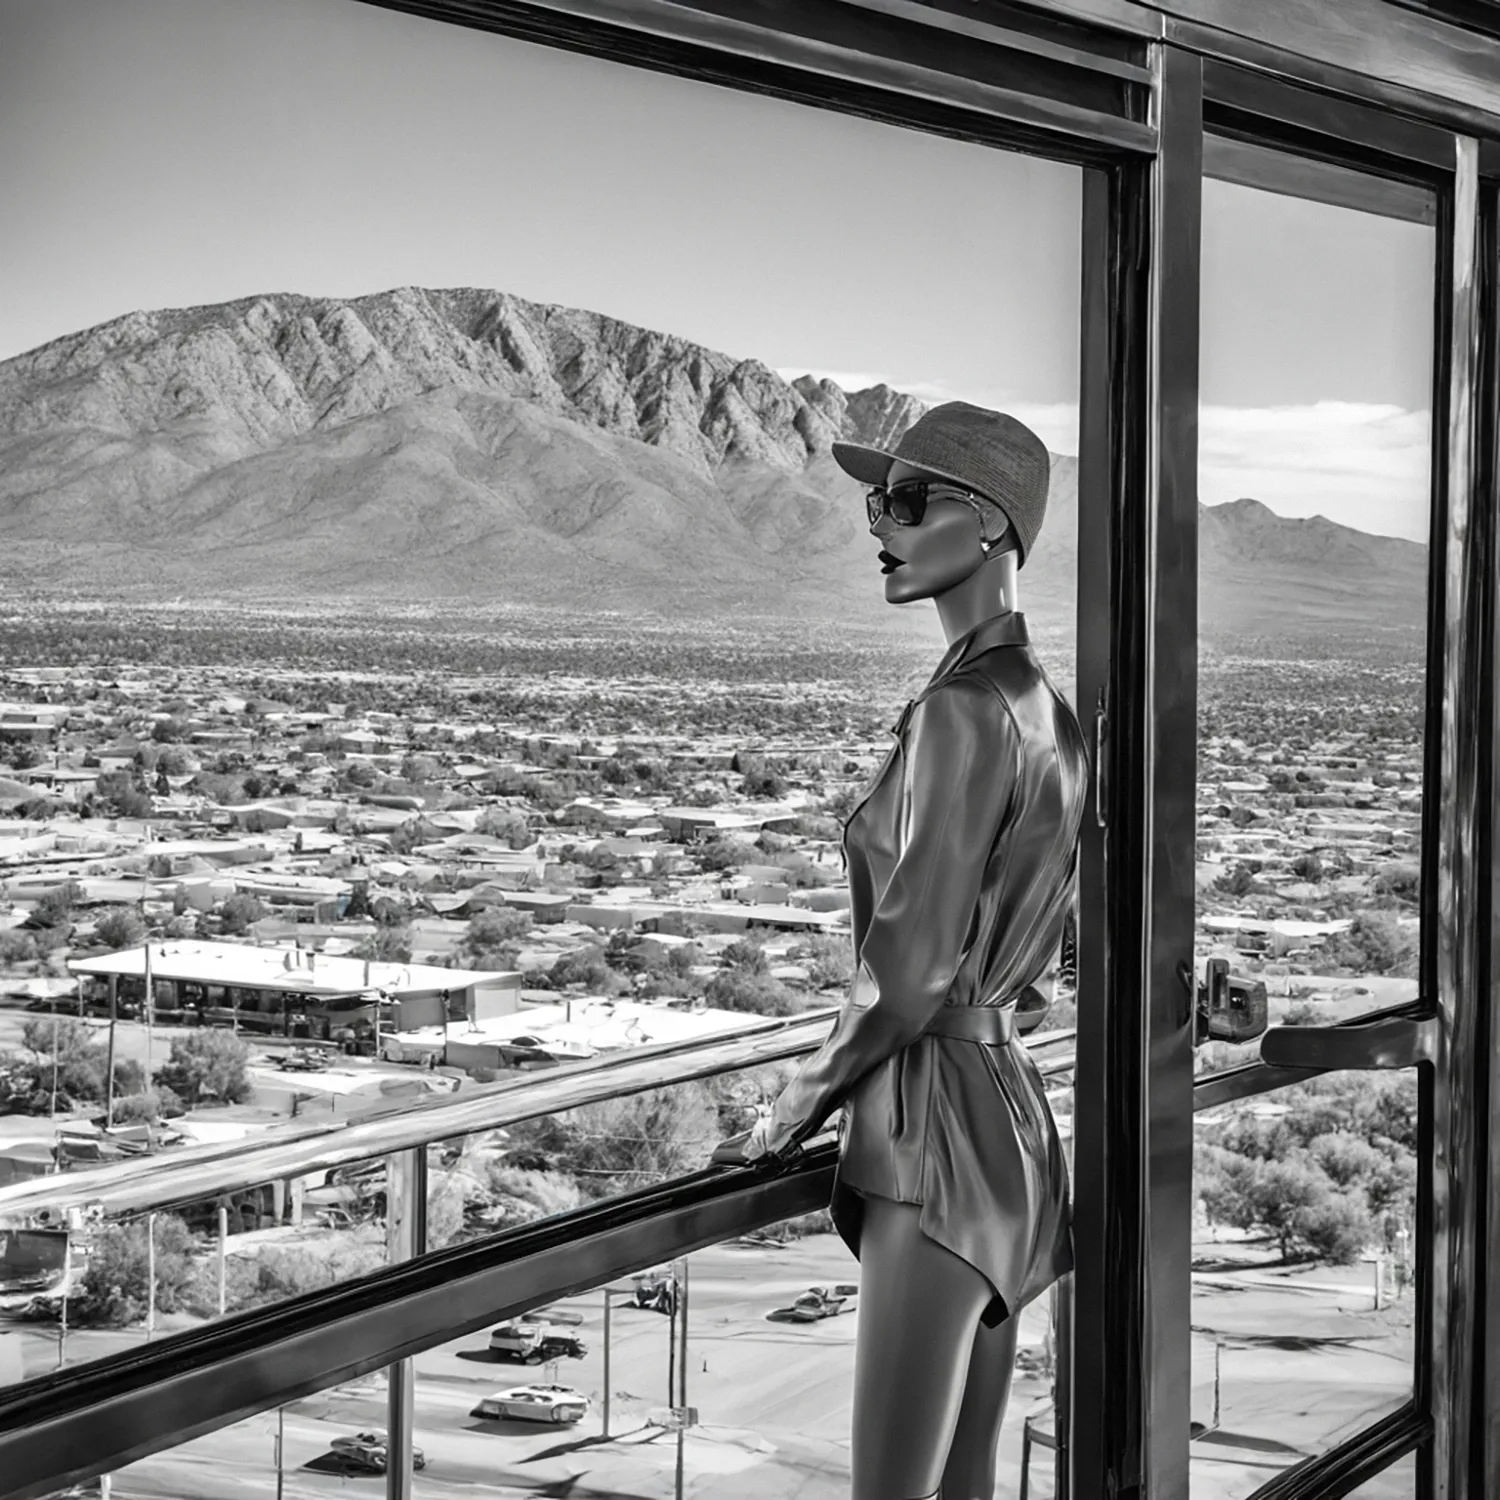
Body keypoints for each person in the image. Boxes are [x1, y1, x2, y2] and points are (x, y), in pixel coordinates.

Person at [713, 402, 1089, 1500]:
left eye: (908, 500)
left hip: (933, 1133)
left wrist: (794, 1102)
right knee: (965, 1477)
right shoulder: (1046, 711)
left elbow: (909, 973)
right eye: (880, 499)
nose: (880, 522)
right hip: (1010, 1121)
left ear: (988, 526)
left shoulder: (964, 712)